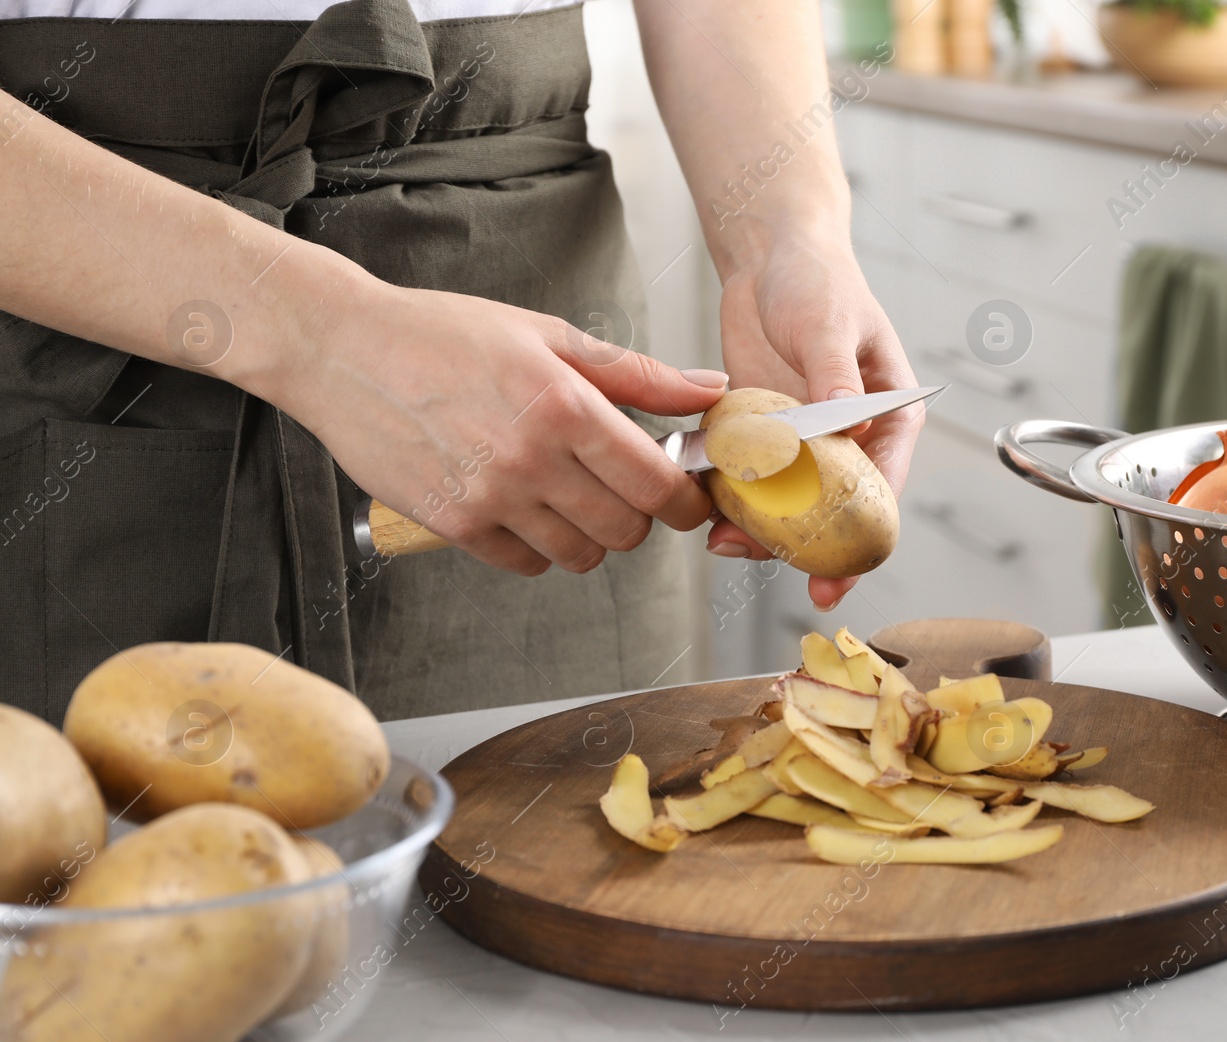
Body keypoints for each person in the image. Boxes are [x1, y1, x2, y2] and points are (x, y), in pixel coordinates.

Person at [0, 0, 920, 723]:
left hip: (541, 387)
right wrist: (322, 333)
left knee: (562, 872)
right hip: (91, 295)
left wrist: (788, 237)